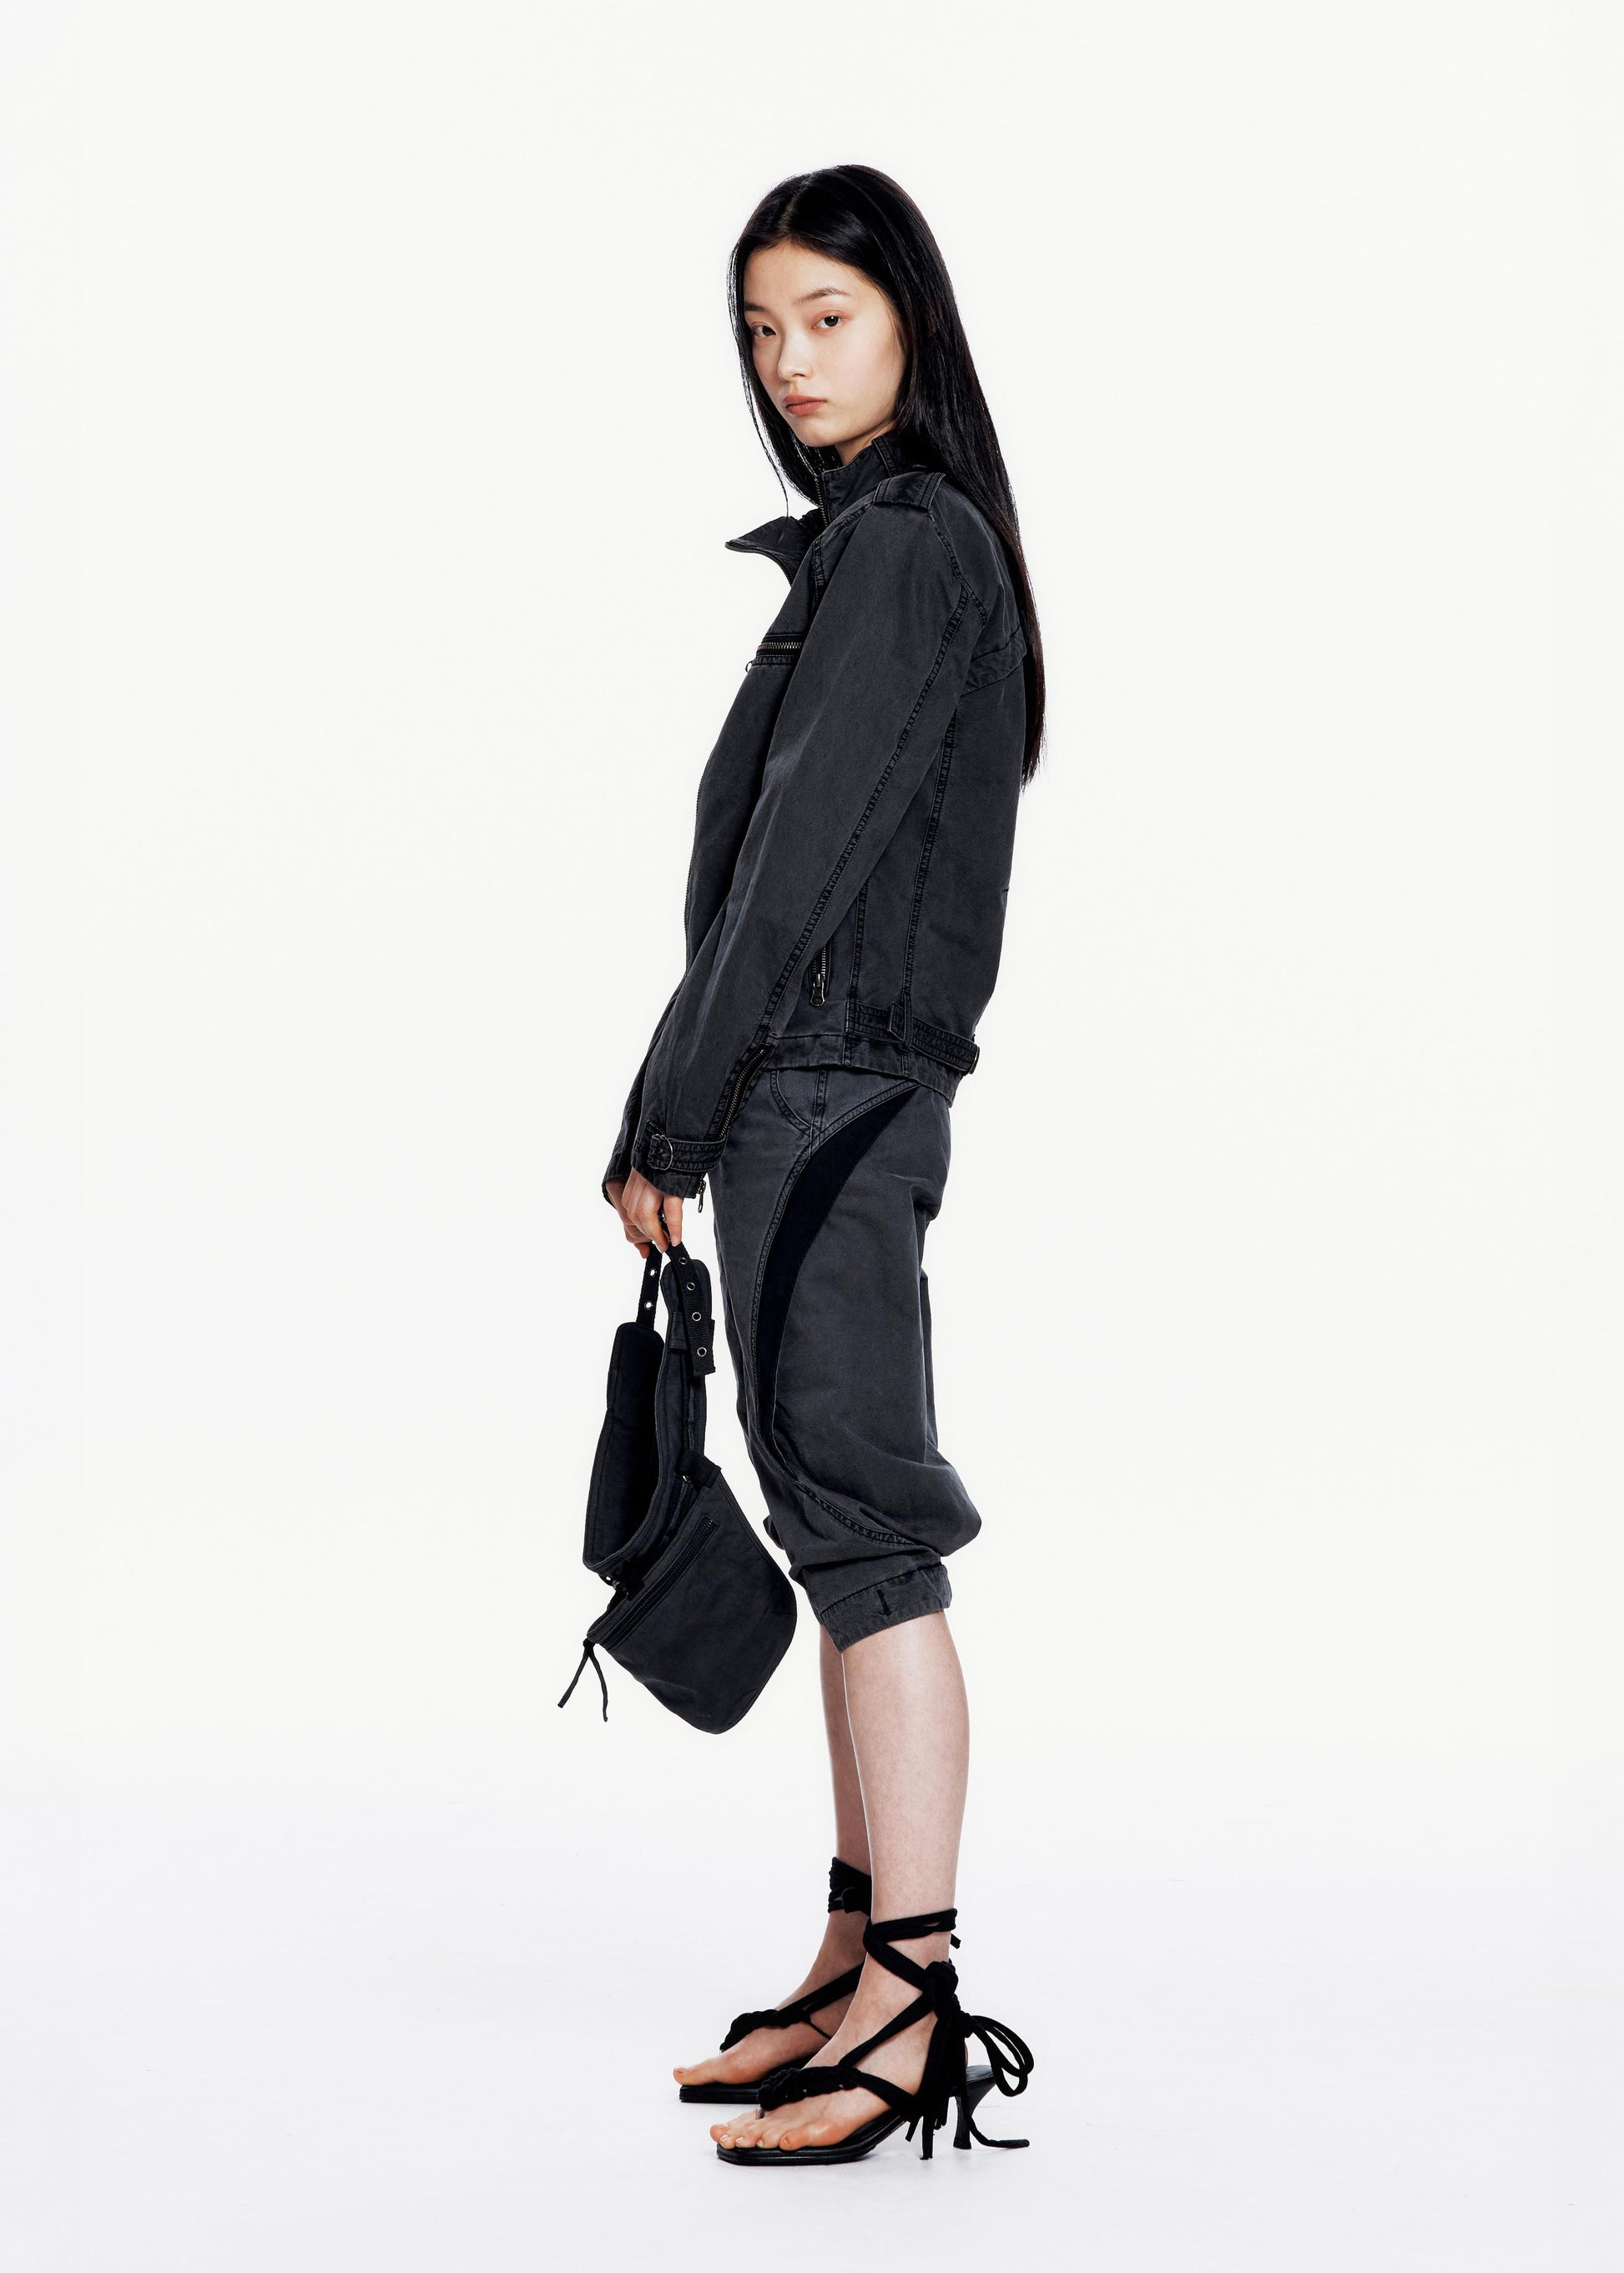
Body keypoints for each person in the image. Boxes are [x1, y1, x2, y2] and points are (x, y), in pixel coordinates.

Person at [601, 164, 1045, 2165]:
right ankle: (857, 1961)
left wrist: (670, 1113)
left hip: (825, 1088)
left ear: (909, 322)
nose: (788, 361)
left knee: (866, 1535)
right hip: (816, 1086)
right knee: (831, 1524)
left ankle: (915, 2008)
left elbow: (791, 877)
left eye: (828, 320)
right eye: (761, 329)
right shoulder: (883, 544)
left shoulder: (908, 548)